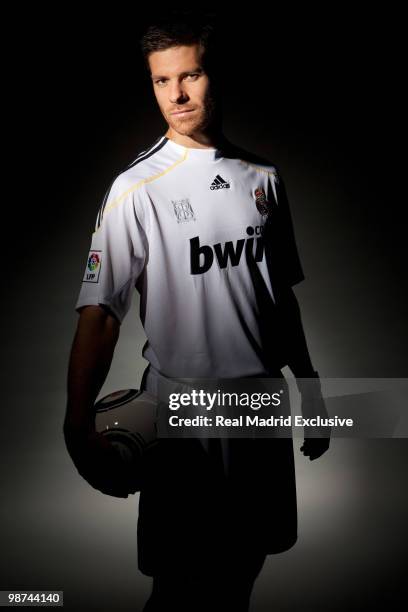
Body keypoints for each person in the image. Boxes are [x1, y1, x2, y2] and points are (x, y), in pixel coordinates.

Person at [63, 10, 330, 611]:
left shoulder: (264, 177)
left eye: (191, 76)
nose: (177, 94)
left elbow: (279, 294)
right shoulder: (135, 188)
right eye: (161, 81)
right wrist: (76, 421)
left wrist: (309, 391)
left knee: (244, 569)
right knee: (181, 582)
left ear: (216, 77)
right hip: (182, 407)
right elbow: (100, 313)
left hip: (259, 404)